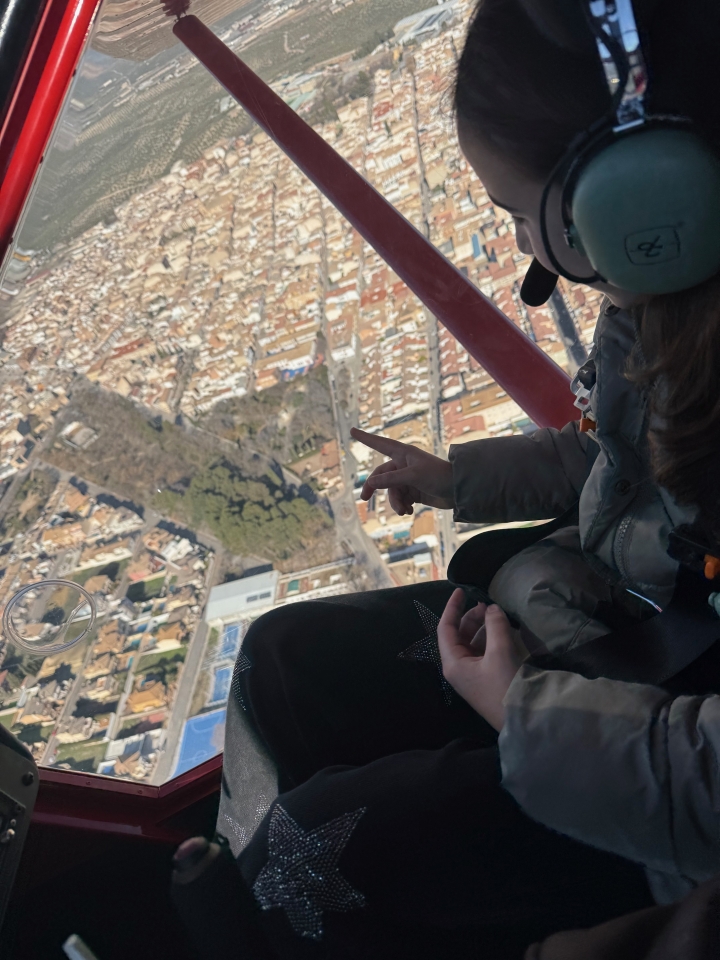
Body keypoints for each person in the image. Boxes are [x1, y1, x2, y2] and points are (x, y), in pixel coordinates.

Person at [200, 0, 720, 957]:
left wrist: (521, 712)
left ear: (648, 196)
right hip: (621, 634)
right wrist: (456, 479)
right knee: (285, 656)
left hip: (670, 793)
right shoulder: (656, 310)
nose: (529, 252)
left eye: (524, 215)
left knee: (312, 859)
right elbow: (601, 458)